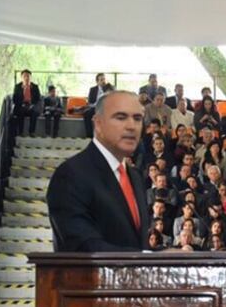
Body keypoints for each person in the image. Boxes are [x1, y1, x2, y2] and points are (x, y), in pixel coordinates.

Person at [47, 90, 150, 251]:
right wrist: (146, 256)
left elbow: (137, 245)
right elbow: (85, 247)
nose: (132, 126)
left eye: (137, 118)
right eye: (121, 117)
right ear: (98, 124)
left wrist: (168, 255)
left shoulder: (135, 177)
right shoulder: (70, 175)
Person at [11, 69, 41, 137]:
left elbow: (38, 98)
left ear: (30, 77)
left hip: (31, 105)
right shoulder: (17, 87)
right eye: (24, 76)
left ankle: (32, 132)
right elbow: (15, 99)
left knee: (34, 112)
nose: (26, 78)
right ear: (21, 77)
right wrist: (21, 104)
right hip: (21, 106)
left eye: (28, 76)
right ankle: (21, 132)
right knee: (20, 112)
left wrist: (32, 105)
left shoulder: (35, 87)